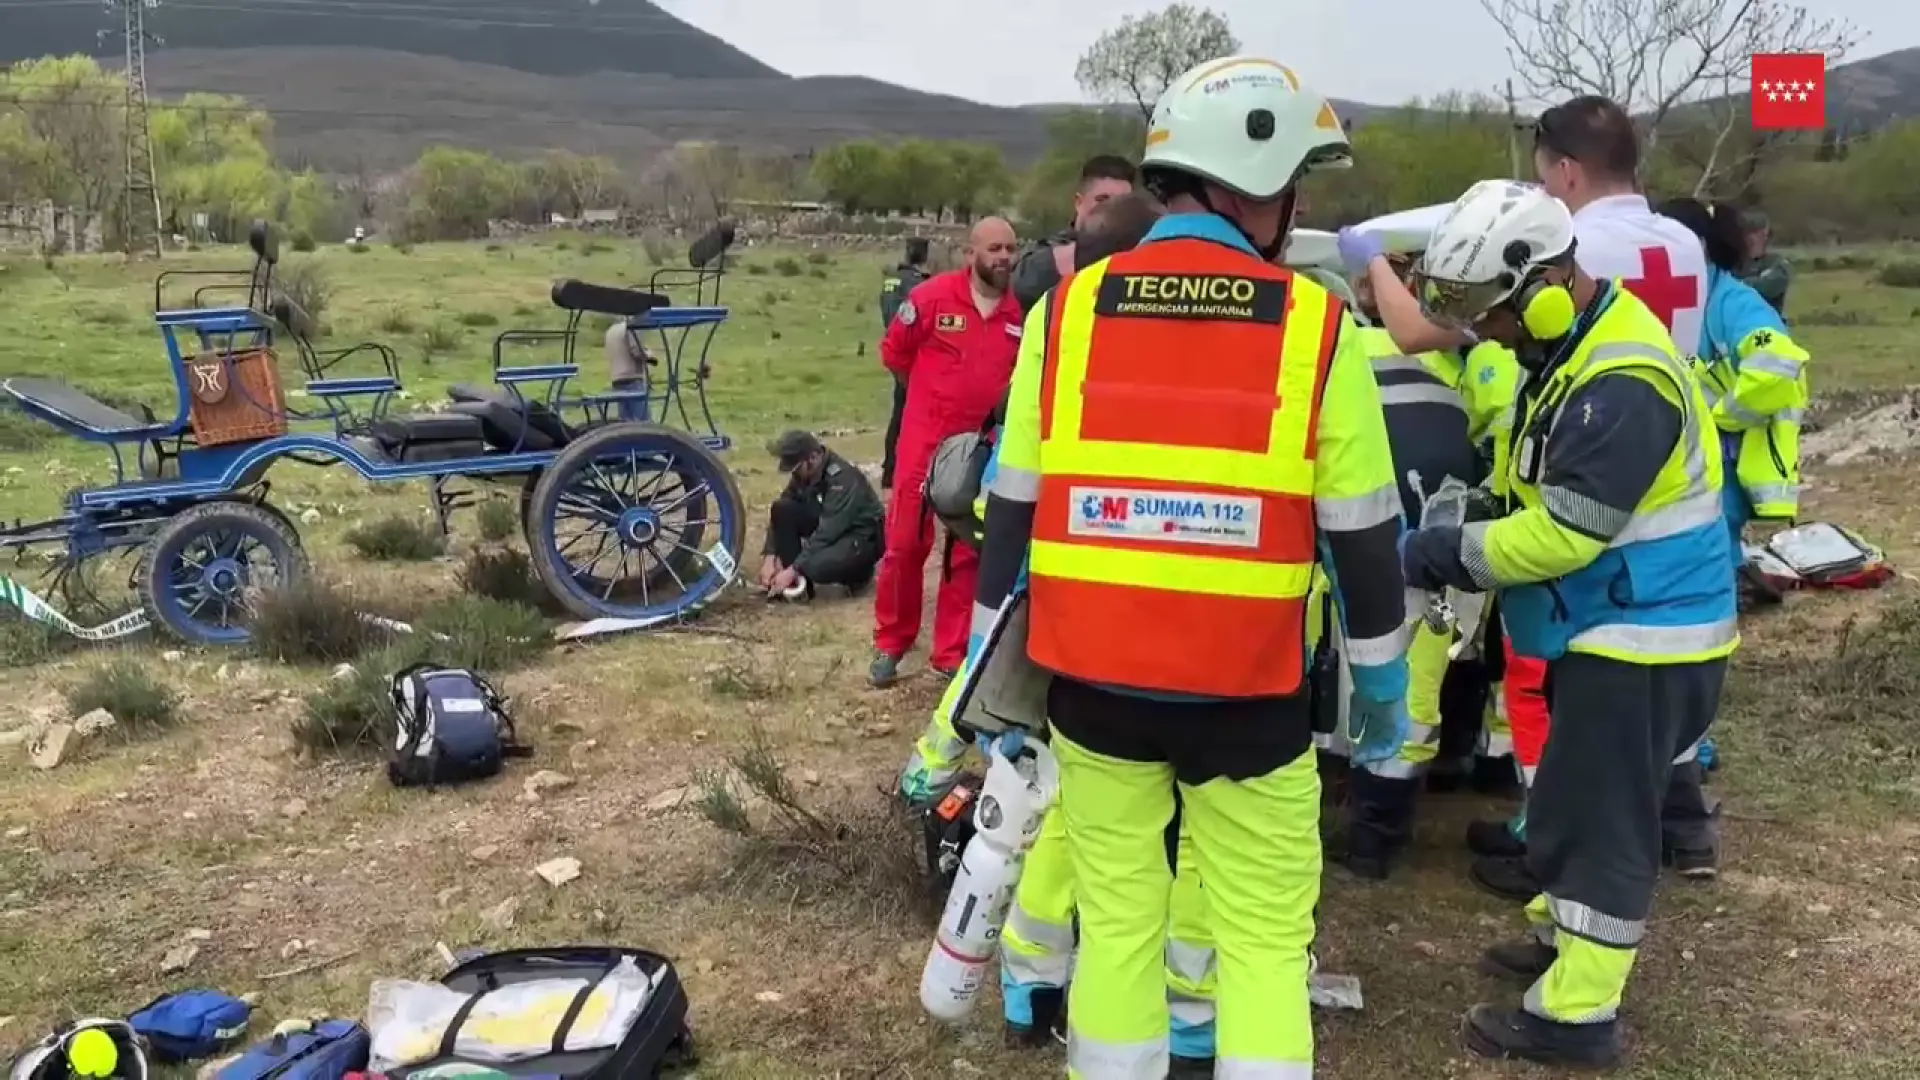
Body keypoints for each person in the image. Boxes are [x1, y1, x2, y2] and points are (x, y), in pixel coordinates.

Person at [977, 55, 1410, 1079]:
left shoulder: (1064, 315)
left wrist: (984, 680)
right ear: (1255, 190)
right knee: (1261, 946)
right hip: (1251, 697)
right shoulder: (1316, 328)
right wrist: (1385, 691)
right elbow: (1362, 538)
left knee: (1118, 929)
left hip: (1092, 691)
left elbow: (1012, 507)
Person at [1398, 180, 1737, 1068]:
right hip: (1613, 628)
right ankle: (1562, 933)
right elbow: (1537, 483)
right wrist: (1473, 506)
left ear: (1544, 286)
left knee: (1606, 822)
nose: (1482, 330)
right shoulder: (1572, 353)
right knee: (1567, 794)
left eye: (1488, 310)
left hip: (1649, 635)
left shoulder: (1621, 381)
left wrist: (1443, 553)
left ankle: (1576, 1016)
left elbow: (1566, 530)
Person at [900, 191, 1224, 1064]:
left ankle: (1030, 989)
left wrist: (959, 709)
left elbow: (1012, 499)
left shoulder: (1061, 339)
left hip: (1056, 627)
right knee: (1151, 841)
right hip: (1136, 640)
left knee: (1047, 818)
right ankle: (1180, 1018)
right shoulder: (1136, 346)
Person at [1332, 254, 1482, 881]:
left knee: (1370, 671)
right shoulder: (1445, 356)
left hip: (1380, 521)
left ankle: (1369, 835)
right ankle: (1431, 783)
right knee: (1442, 660)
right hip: (1461, 520)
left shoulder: (1330, 352)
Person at [872, 217, 1022, 686]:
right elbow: (895, 353)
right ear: (969, 252)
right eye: (995, 248)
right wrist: (927, 401)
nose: (1004, 257)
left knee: (966, 551)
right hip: (924, 442)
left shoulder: (1021, 315)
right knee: (904, 546)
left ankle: (950, 654)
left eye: (1010, 249)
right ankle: (891, 643)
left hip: (979, 449)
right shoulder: (930, 298)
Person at [1657, 197, 1811, 566]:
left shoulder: (1733, 302)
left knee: (1709, 550)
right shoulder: (1684, 297)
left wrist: (1719, 416)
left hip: (1721, 457)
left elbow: (1776, 365)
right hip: (1684, 456)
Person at [757, 430, 884, 600]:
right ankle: (798, 588)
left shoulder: (843, 479)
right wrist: (770, 557)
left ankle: (860, 574)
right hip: (829, 523)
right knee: (782, 509)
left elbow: (828, 531)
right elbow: (782, 510)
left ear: (813, 457)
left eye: (796, 468)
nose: (794, 474)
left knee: (815, 566)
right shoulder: (804, 474)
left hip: (860, 535)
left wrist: (793, 569)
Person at [1009, 155, 1137, 314]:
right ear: (1079, 203)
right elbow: (1019, 287)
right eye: (1102, 200)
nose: (1111, 209)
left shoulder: (1139, 253)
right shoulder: (1043, 256)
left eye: (1122, 203)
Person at [880, 238, 934, 490]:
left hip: (893, 349)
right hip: (912, 356)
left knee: (897, 413)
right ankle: (907, 471)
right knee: (911, 415)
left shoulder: (889, 280)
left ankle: (889, 469)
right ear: (924, 256)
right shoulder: (918, 285)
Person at [1737, 209, 1791, 315]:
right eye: (1746, 233)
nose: (1750, 238)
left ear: (1765, 234)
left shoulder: (1776, 263)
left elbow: (1767, 287)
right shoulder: (1734, 263)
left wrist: (1737, 285)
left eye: (1755, 233)